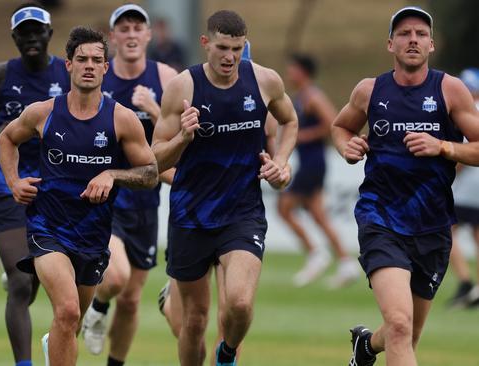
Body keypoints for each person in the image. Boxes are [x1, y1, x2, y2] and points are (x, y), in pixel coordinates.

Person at [0, 26, 159, 366]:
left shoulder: (122, 119)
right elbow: (7, 138)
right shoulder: (44, 112)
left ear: (105, 67)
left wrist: (112, 174)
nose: (89, 65)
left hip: (93, 236)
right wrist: (13, 181)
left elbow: (150, 173)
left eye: (97, 60)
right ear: (68, 65)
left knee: (70, 322)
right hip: (47, 230)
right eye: (81, 59)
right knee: (69, 311)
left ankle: (53, 341)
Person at [331, 7, 479, 366]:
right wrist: (347, 146)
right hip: (380, 220)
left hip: (432, 226)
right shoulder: (370, 90)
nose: (412, 39)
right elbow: (340, 127)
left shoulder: (451, 90)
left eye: (420, 34)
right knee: (399, 325)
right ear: (390, 44)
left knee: (405, 333)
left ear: (431, 44)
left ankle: (366, 347)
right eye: (404, 33)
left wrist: (443, 146)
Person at [152, 10, 298, 365]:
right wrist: (184, 137)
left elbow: (289, 121)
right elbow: (154, 158)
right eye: (222, 48)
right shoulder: (183, 87)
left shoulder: (264, 81)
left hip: (242, 215)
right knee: (195, 321)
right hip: (190, 216)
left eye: (237, 48)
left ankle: (228, 353)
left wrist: (282, 163)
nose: (230, 57)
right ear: (205, 44)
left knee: (240, 303)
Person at [0, 3, 70, 366]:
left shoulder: (68, 73)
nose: (31, 39)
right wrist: (1, 136)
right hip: (5, 185)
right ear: (14, 38)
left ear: (49, 35)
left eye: (36, 32)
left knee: (39, 278)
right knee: (21, 283)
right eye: (23, 33)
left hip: (54, 189)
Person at [78, 5, 177, 364]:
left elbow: (184, 138)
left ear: (148, 35)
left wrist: (154, 109)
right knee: (115, 277)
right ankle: (98, 306)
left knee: (133, 298)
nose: (132, 34)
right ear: (113, 37)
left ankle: (114, 362)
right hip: (107, 194)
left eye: (138, 27)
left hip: (147, 198)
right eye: (124, 28)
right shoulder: (98, 77)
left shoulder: (166, 77)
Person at [277, 53, 360, 288]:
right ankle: (346, 263)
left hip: (315, 162)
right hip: (309, 161)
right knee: (317, 214)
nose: (289, 74)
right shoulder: (300, 97)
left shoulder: (313, 96)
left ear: (303, 72)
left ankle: (316, 254)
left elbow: (333, 123)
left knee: (283, 207)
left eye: (292, 69)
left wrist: (303, 136)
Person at [447, 67, 479, 308]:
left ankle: (466, 282)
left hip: (467, 188)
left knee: (446, 230)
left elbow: (464, 151)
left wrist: (450, 174)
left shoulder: (468, 111)